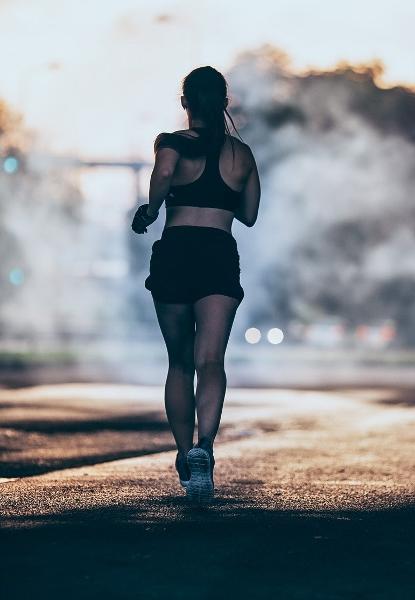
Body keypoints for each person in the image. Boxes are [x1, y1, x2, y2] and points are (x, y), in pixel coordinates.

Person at [131, 66, 260, 504]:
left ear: (185, 103)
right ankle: (206, 446)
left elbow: (162, 182)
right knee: (212, 361)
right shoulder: (241, 154)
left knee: (179, 363)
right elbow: (249, 214)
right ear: (224, 103)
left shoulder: (170, 144)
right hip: (219, 253)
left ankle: (186, 454)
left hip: (178, 250)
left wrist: (150, 210)